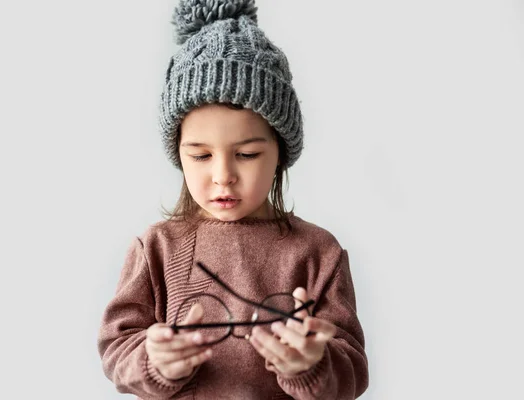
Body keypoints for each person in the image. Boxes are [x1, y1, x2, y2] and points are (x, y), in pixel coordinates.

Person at [97, 1, 369, 398]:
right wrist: (153, 360)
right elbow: (117, 348)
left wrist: (313, 364)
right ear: (179, 154)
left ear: (280, 151)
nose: (222, 175)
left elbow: (352, 370)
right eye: (201, 156)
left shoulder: (317, 252)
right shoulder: (157, 248)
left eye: (247, 155)